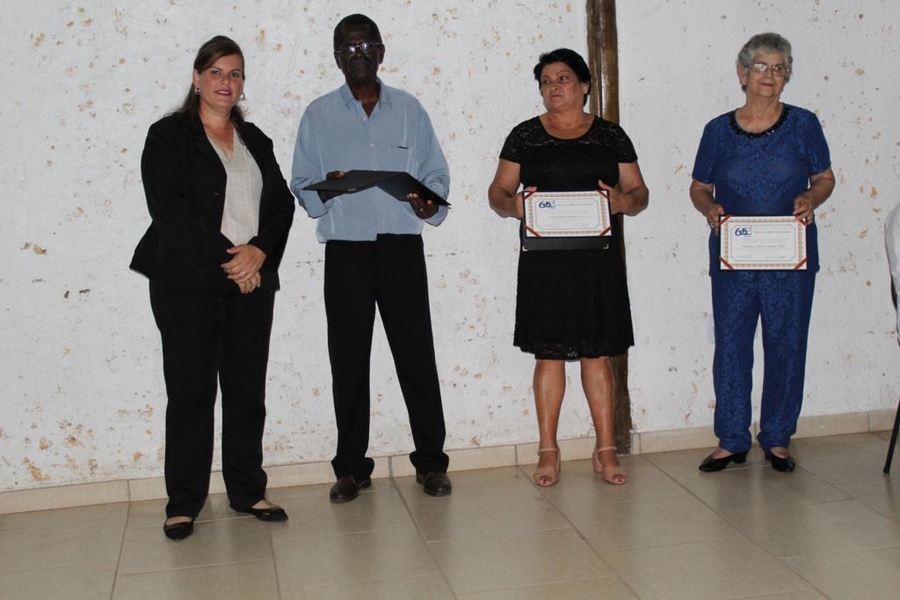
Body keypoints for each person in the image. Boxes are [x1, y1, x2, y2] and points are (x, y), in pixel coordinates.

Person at [131, 36, 295, 539]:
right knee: (190, 394)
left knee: (246, 392)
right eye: (217, 72)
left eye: (236, 73)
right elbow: (172, 210)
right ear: (197, 78)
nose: (227, 82)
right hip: (188, 283)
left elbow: (281, 205)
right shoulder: (168, 136)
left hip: (252, 282)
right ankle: (183, 502)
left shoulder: (255, 139)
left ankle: (247, 490)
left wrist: (259, 252)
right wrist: (236, 262)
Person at [291, 14, 452, 503]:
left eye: (366, 46)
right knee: (348, 360)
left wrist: (428, 204)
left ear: (381, 52)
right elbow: (302, 182)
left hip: (401, 248)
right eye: (348, 48)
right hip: (347, 252)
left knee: (416, 356)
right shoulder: (318, 115)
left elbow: (436, 175)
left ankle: (431, 463)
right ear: (336, 57)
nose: (357, 55)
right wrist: (329, 189)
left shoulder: (409, 110)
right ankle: (350, 469)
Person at [488, 48, 649, 487]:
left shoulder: (611, 136)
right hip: (544, 263)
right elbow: (497, 192)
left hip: (598, 262)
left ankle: (605, 449)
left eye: (562, 78)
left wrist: (622, 202)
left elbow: (640, 193)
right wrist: (512, 206)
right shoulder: (524, 136)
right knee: (549, 355)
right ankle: (548, 450)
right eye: (545, 81)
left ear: (584, 85)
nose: (553, 87)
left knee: (597, 355)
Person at [690, 33, 835, 473]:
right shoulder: (717, 131)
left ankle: (777, 438)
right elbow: (699, 187)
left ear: (786, 76)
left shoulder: (804, 124)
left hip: (790, 259)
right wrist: (709, 208)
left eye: (778, 68)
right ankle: (732, 439)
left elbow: (825, 178)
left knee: (786, 345)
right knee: (731, 346)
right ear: (742, 73)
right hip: (733, 258)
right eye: (761, 66)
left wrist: (811, 197)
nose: (769, 75)